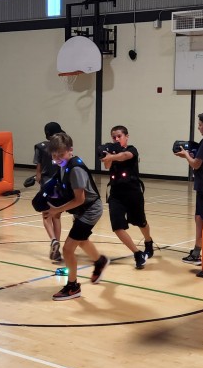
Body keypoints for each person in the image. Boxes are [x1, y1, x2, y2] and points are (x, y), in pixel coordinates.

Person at [45, 132, 107, 301]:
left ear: (70, 150)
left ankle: (73, 287)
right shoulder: (64, 166)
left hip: (90, 210)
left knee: (68, 249)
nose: (57, 158)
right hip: (82, 210)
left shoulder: (76, 169)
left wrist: (57, 210)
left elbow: (80, 199)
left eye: (61, 154)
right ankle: (100, 261)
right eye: (54, 155)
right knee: (82, 241)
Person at [100, 125, 154, 269]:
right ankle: (137, 254)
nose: (116, 139)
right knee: (117, 226)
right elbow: (106, 165)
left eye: (119, 136)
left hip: (133, 193)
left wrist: (112, 155)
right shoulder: (111, 151)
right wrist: (107, 154)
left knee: (140, 222)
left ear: (126, 136)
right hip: (116, 194)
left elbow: (125, 156)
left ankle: (148, 241)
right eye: (114, 137)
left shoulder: (132, 149)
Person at [175, 111, 203, 265]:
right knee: (199, 218)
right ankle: (196, 252)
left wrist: (186, 155)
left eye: (200, 125)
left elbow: (196, 164)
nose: (199, 128)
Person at [34, 121, 64, 263]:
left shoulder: (40, 147)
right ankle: (57, 246)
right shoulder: (63, 146)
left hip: (46, 184)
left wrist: (38, 179)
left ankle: (53, 240)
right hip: (59, 184)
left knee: (46, 216)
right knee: (56, 216)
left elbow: (38, 171)